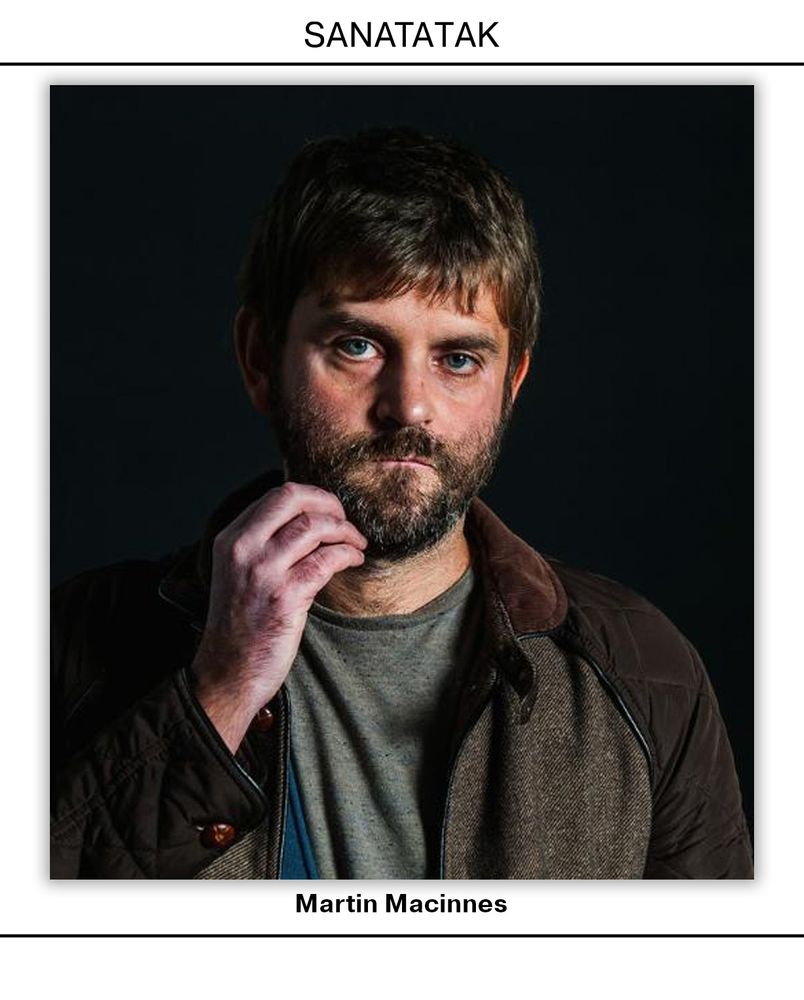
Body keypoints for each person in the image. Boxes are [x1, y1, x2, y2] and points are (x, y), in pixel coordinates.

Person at [50, 127, 753, 880]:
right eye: (358, 345)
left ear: (510, 385)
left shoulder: (646, 673)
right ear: (261, 359)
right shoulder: (71, 647)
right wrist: (218, 691)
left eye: (458, 359)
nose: (409, 405)